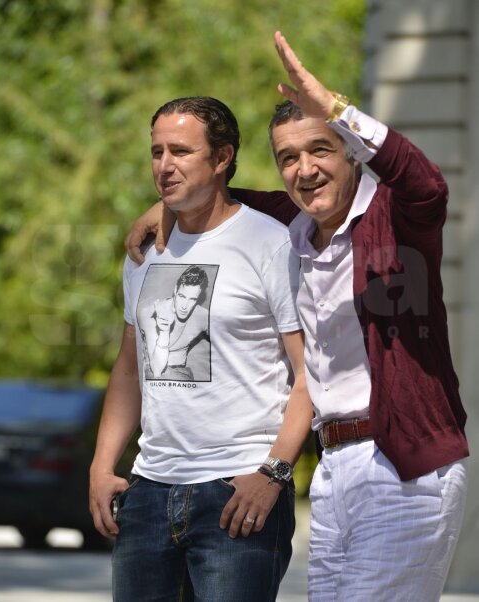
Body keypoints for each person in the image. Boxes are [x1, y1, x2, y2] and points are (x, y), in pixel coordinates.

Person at [125, 31, 469, 602]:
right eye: (288, 157)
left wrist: (336, 108)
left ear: (352, 153)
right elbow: (228, 200)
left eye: (321, 150)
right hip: (332, 467)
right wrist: (164, 203)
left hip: (403, 464)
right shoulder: (294, 224)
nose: (305, 169)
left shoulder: (396, 216)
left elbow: (425, 182)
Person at [89, 95, 313, 602]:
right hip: (148, 490)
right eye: (157, 152)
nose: (164, 165)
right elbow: (130, 368)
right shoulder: (144, 252)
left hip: (238, 490)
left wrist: (273, 474)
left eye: (181, 151)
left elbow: (310, 372)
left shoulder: (270, 243)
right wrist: (103, 466)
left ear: (222, 157)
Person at [139, 264, 209, 381]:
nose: (184, 306)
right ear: (176, 290)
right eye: (182, 296)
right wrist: (164, 331)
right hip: (153, 371)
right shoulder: (151, 312)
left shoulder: (203, 316)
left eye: (192, 299)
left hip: (181, 373)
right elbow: (156, 370)